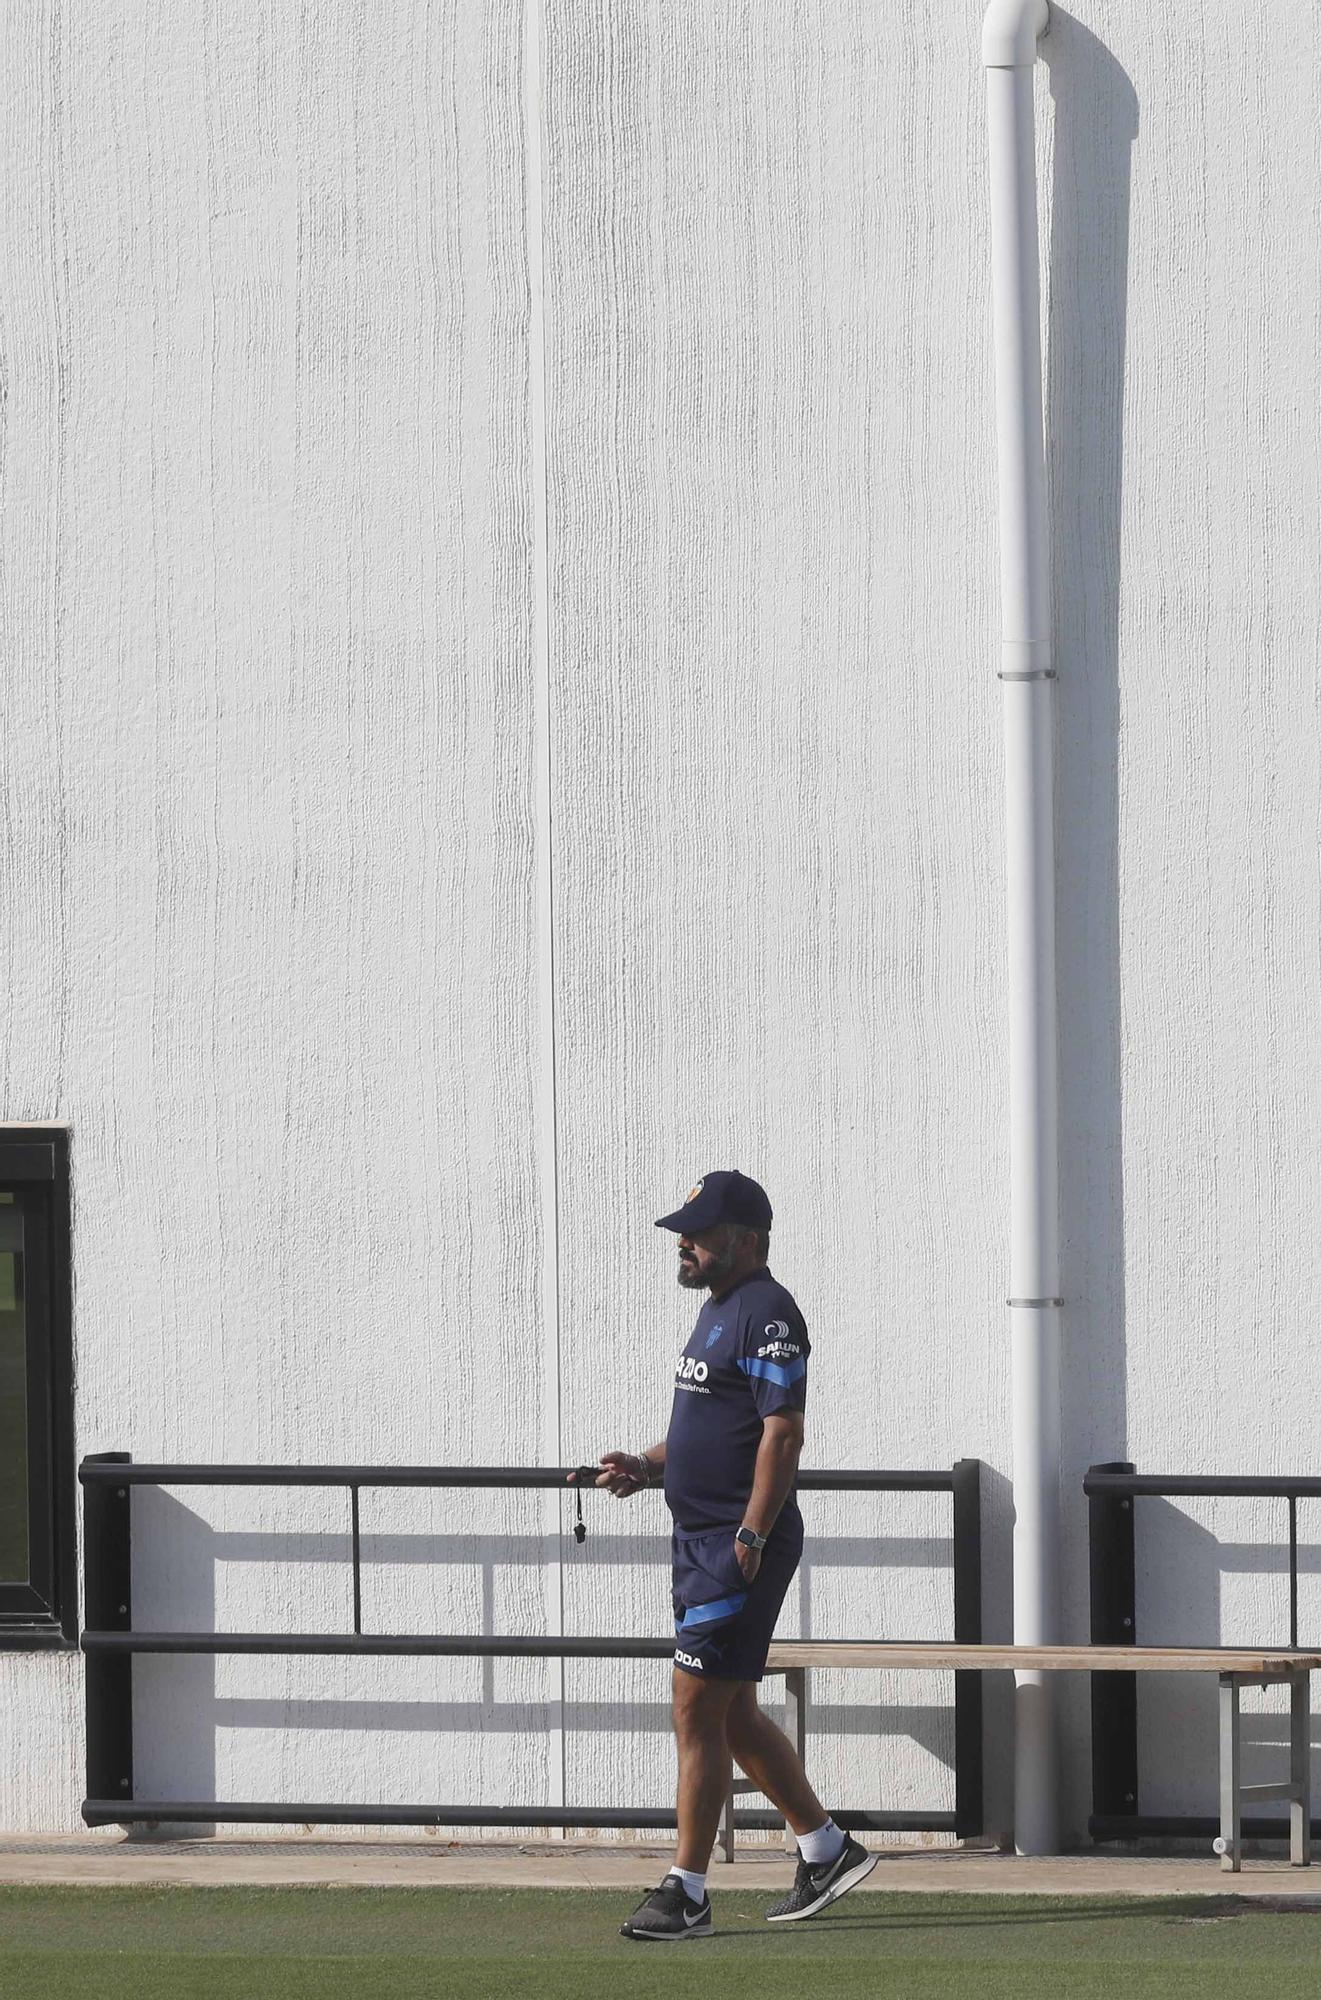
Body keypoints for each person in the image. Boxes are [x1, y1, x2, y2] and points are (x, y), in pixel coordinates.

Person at [582, 1169, 877, 1940]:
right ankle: (825, 1847)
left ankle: (687, 1891)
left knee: (694, 1706)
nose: (685, 1242)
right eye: (685, 1229)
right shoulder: (718, 1311)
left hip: (734, 1546)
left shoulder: (768, 1312)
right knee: (733, 1709)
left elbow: (782, 1432)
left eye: (701, 1233)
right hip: (701, 1539)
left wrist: (749, 1533)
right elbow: (706, 1432)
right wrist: (645, 1468)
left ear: (744, 1241)